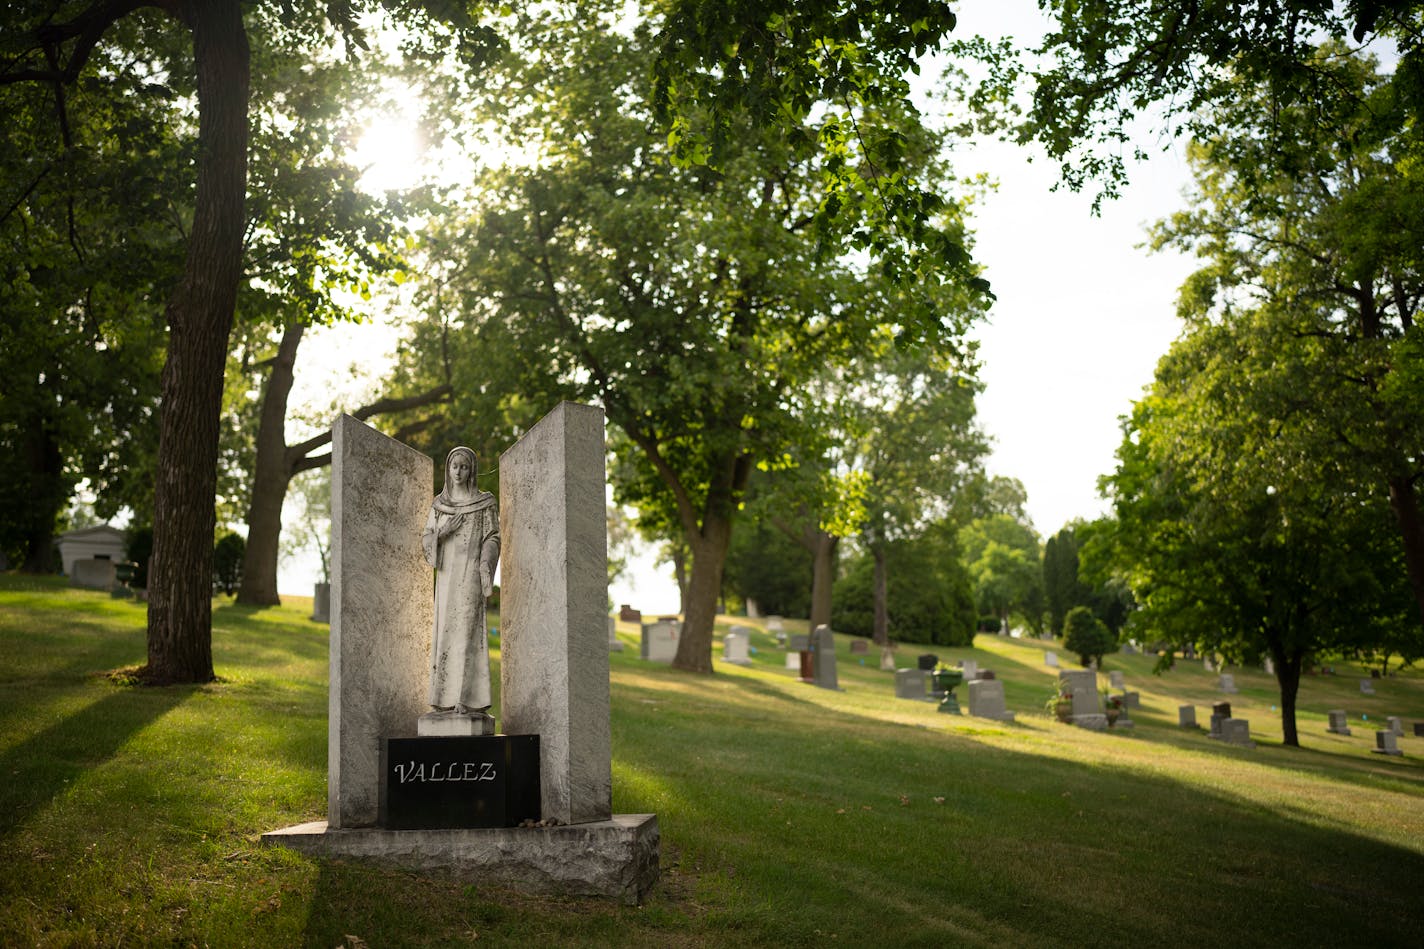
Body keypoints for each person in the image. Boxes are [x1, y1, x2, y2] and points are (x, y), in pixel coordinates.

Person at [421, 446, 500, 722]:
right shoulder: (439, 505)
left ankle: (467, 699)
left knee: (467, 634)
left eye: (464, 466)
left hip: (470, 577)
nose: (458, 471)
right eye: (454, 466)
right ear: (448, 469)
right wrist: (444, 531)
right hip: (446, 580)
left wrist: (485, 564)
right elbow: (426, 539)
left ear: (472, 470)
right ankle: (442, 700)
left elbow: (493, 536)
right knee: (446, 633)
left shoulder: (484, 503)